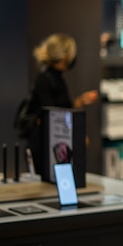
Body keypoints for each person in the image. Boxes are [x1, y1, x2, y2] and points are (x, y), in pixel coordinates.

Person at [26, 33, 98, 172]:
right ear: (64, 56)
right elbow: (53, 115)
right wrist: (77, 135)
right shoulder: (46, 79)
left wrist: (79, 101)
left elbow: (60, 109)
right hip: (45, 147)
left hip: (55, 144)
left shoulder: (57, 78)